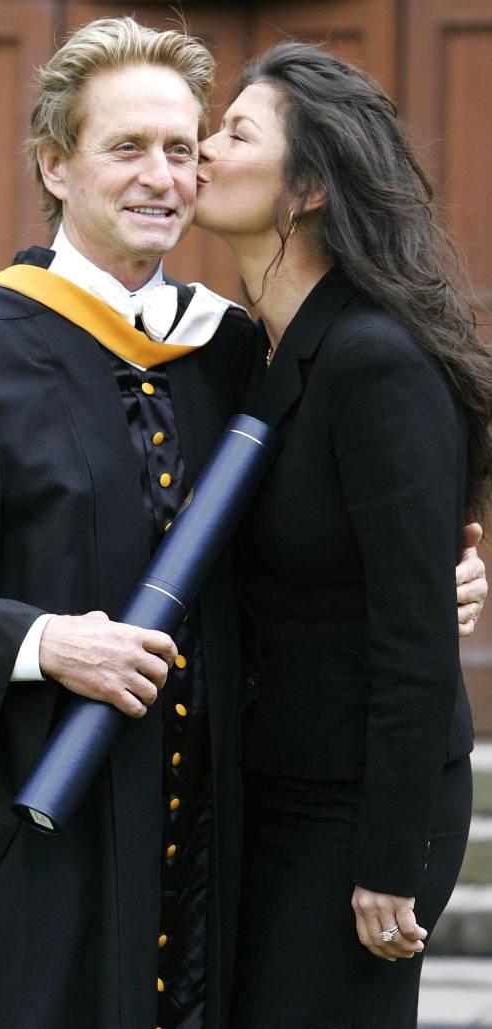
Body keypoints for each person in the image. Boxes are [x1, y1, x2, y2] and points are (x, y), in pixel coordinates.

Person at [0, 18, 485, 1029]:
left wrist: (428, 585)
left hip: (216, 848)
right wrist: (43, 642)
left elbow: (297, 556)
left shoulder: (232, 356)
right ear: (55, 164)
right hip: (41, 844)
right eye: (126, 147)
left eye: (184, 148)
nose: (163, 176)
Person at [194, 41, 492, 1028]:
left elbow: (415, 638)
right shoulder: (256, 353)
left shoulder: (375, 363)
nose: (199, 150)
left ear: (308, 188)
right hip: (266, 787)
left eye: (235, 132)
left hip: (354, 812)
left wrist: (385, 860)